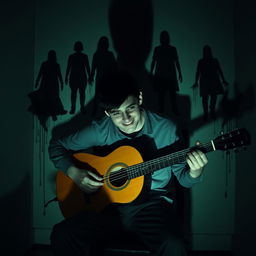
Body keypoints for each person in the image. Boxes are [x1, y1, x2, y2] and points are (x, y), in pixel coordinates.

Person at [48, 70, 208, 256]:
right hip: (107, 208)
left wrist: (195, 171)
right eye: (116, 113)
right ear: (108, 112)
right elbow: (56, 146)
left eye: (130, 108)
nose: (126, 119)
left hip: (152, 207)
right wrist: (74, 173)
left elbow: (183, 179)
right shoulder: (101, 130)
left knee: (174, 245)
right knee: (63, 234)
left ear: (139, 98)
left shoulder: (166, 129)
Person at [150, 30, 183, 115]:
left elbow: (154, 61)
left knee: (166, 94)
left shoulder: (160, 49)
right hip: (165, 74)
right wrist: (180, 73)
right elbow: (154, 61)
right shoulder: (169, 49)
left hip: (164, 74)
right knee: (166, 94)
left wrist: (180, 73)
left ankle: (166, 110)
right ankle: (168, 110)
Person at [192, 45, 228, 120]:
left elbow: (219, 70)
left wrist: (223, 80)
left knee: (212, 97)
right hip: (208, 80)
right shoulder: (204, 61)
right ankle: (207, 112)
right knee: (207, 97)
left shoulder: (208, 61)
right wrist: (196, 82)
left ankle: (210, 110)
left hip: (211, 80)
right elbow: (198, 72)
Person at [65, 41, 91, 114]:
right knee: (77, 93)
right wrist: (89, 76)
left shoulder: (75, 56)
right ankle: (77, 107)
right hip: (77, 77)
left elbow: (87, 67)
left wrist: (66, 77)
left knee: (77, 93)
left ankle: (78, 107)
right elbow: (69, 67)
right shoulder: (82, 56)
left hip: (78, 77)